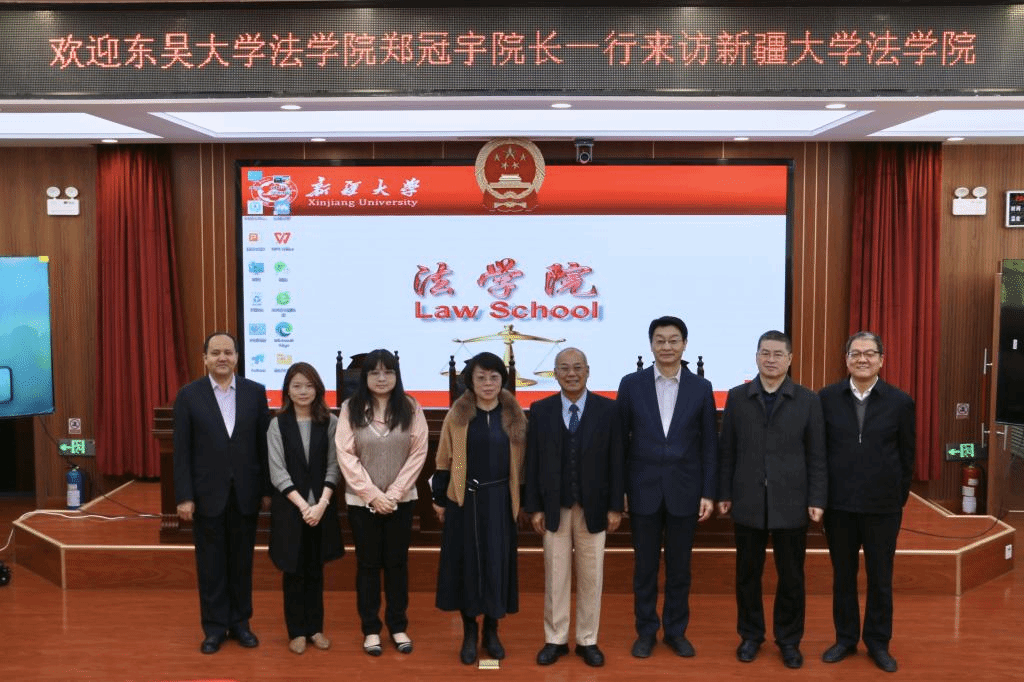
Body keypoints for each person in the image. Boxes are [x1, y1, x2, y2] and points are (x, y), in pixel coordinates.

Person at [717, 330, 827, 669]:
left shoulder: (808, 400)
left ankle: (789, 640)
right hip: (747, 499)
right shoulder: (737, 397)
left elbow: (817, 454)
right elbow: (727, 451)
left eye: (778, 354)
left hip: (791, 501)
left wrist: (817, 497)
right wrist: (724, 493)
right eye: (765, 353)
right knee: (747, 575)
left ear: (790, 359)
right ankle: (750, 636)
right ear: (756, 356)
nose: (771, 359)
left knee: (791, 576)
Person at [617, 315, 717, 659]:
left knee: (679, 569)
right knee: (644, 568)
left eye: (674, 340)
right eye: (660, 340)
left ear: (685, 344)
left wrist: (708, 491)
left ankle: (675, 631)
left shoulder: (701, 388)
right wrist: (621, 490)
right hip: (642, 489)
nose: (667, 346)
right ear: (651, 345)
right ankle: (646, 631)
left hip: (685, 490)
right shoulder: (631, 384)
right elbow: (620, 442)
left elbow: (709, 444)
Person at [818, 331, 915, 674]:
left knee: (880, 578)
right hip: (839, 507)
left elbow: (907, 456)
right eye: (855, 353)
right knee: (843, 576)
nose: (862, 359)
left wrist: (896, 497)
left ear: (881, 360)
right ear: (846, 359)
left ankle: (877, 642)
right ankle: (845, 639)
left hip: (882, 508)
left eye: (870, 353)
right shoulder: (827, 398)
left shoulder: (900, 402)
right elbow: (819, 452)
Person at [524, 347, 624, 668]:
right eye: (564, 368)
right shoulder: (540, 410)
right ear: (555, 373)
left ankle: (587, 639)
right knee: (555, 575)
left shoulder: (609, 410)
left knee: (592, 575)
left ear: (588, 371)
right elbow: (532, 462)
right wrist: (535, 507)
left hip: (595, 508)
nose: (571, 373)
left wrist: (615, 506)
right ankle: (555, 639)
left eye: (577, 367)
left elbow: (617, 461)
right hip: (554, 507)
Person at [173, 331, 270, 654]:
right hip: (206, 496)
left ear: (237, 357)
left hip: (246, 494)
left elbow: (263, 446)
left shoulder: (255, 393)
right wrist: (184, 496)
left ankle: (241, 624)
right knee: (211, 566)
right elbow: (181, 451)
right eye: (215, 353)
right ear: (205, 359)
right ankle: (214, 628)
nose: (222, 358)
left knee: (242, 564)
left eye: (228, 352)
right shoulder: (189, 395)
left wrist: (266, 489)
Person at [432, 351, 527, 665]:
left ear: (503, 380)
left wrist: (524, 501)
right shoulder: (458, 414)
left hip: (500, 501)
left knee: (497, 566)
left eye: (494, 377)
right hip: (465, 501)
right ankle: (470, 631)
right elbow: (444, 459)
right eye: (481, 377)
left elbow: (523, 466)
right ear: (470, 382)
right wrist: (440, 499)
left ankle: (492, 631)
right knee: (467, 568)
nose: (488, 383)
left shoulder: (514, 415)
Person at [336, 349, 428, 656]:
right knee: (368, 565)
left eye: (388, 372)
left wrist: (393, 495)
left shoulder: (411, 407)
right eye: (374, 372)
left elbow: (418, 453)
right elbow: (346, 455)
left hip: (401, 501)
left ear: (396, 375)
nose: (381, 378)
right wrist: (374, 495)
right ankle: (371, 629)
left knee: (397, 565)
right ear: (364, 377)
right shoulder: (350, 408)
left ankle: (398, 626)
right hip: (362, 503)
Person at [267, 362, 344, 654]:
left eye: (309, 386)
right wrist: (303, 506)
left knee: (315, 569)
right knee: (293, 570)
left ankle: (315, 629)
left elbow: (335, 465)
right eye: (297, 386)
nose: (303, 391)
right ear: (287, 389)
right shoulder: (278, 424)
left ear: (318, 390)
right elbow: (277, 471)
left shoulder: (330, 422)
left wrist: (321, 504)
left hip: (322, 509)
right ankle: (296, 632)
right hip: (291, 509)